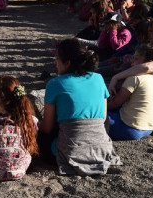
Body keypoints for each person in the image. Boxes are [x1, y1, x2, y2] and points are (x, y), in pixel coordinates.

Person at [38, 39, 120, 175]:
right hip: (101, 151)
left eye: (57, 58)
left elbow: (47, 127)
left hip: (69, 153)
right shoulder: (98, 78)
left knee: (41, 135)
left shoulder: (55, 83)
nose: (54, 62)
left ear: (68, 63)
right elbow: (103, 117)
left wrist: (35, 122)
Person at [107, 44, 153, 140]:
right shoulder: (152, 78)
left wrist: (97, 106)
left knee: (94, 115)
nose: (132, 61)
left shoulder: (135, 77)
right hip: (148, 128)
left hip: (130, 129)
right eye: (133, 57)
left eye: (136, 58)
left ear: (148, 63)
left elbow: (115, 103)